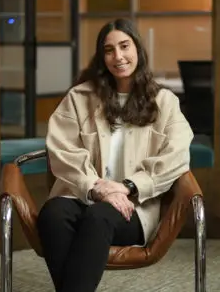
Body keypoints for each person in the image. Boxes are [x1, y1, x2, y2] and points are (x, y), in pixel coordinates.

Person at [37, 18, 193, 292]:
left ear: (138, 50)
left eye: (124, 46)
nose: (118, 56)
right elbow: (62, 150)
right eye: (109, 50)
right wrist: (98, 188)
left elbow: (177, 156)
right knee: (53, 212)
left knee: (99, 217)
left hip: (133, 207)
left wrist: (127, 187)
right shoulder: (79, 98)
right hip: (83, 193)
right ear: (101, 56)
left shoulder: (165, 102)